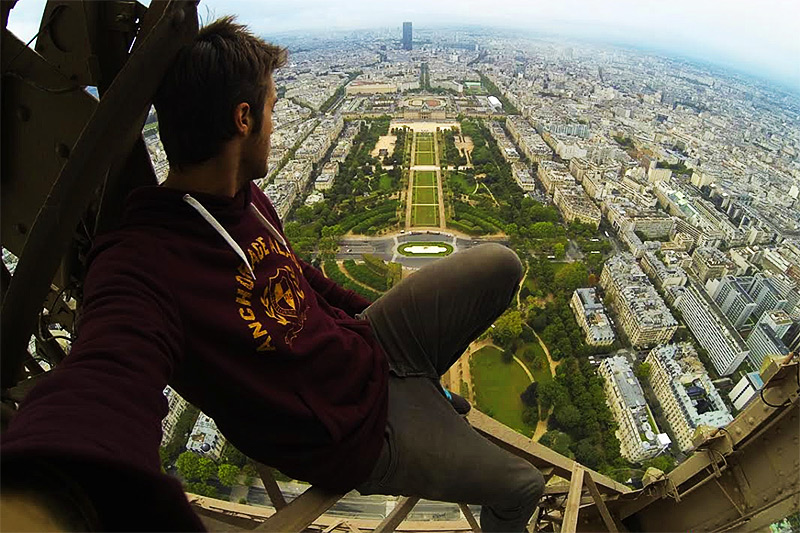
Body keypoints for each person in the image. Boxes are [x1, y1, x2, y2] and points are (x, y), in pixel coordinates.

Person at [1, 16, 543, 531]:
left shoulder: (243, 197)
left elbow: (297, 275)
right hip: (351, 431)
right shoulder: (138, 263)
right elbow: (104, 378)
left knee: (501, 264)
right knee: (522, 487)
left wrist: (380, 326)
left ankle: (417, 379)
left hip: (365, 352)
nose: (275, 123)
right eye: (272, 107)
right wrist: (39, 500)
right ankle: (421, 401)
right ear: (243, 118)